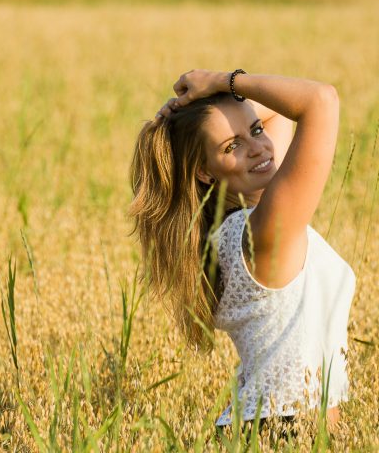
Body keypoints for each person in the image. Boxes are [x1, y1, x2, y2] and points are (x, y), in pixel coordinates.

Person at [128, 69, 356, 442]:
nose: (258, 148)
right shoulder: (261, 232)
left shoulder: (235, 228)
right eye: (231, 147)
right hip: (283, 432)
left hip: (266, 430)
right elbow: (319, 101)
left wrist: (213, 109)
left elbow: (278, 115)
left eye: (254, 131)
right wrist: (221, 81)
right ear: (204, 172)